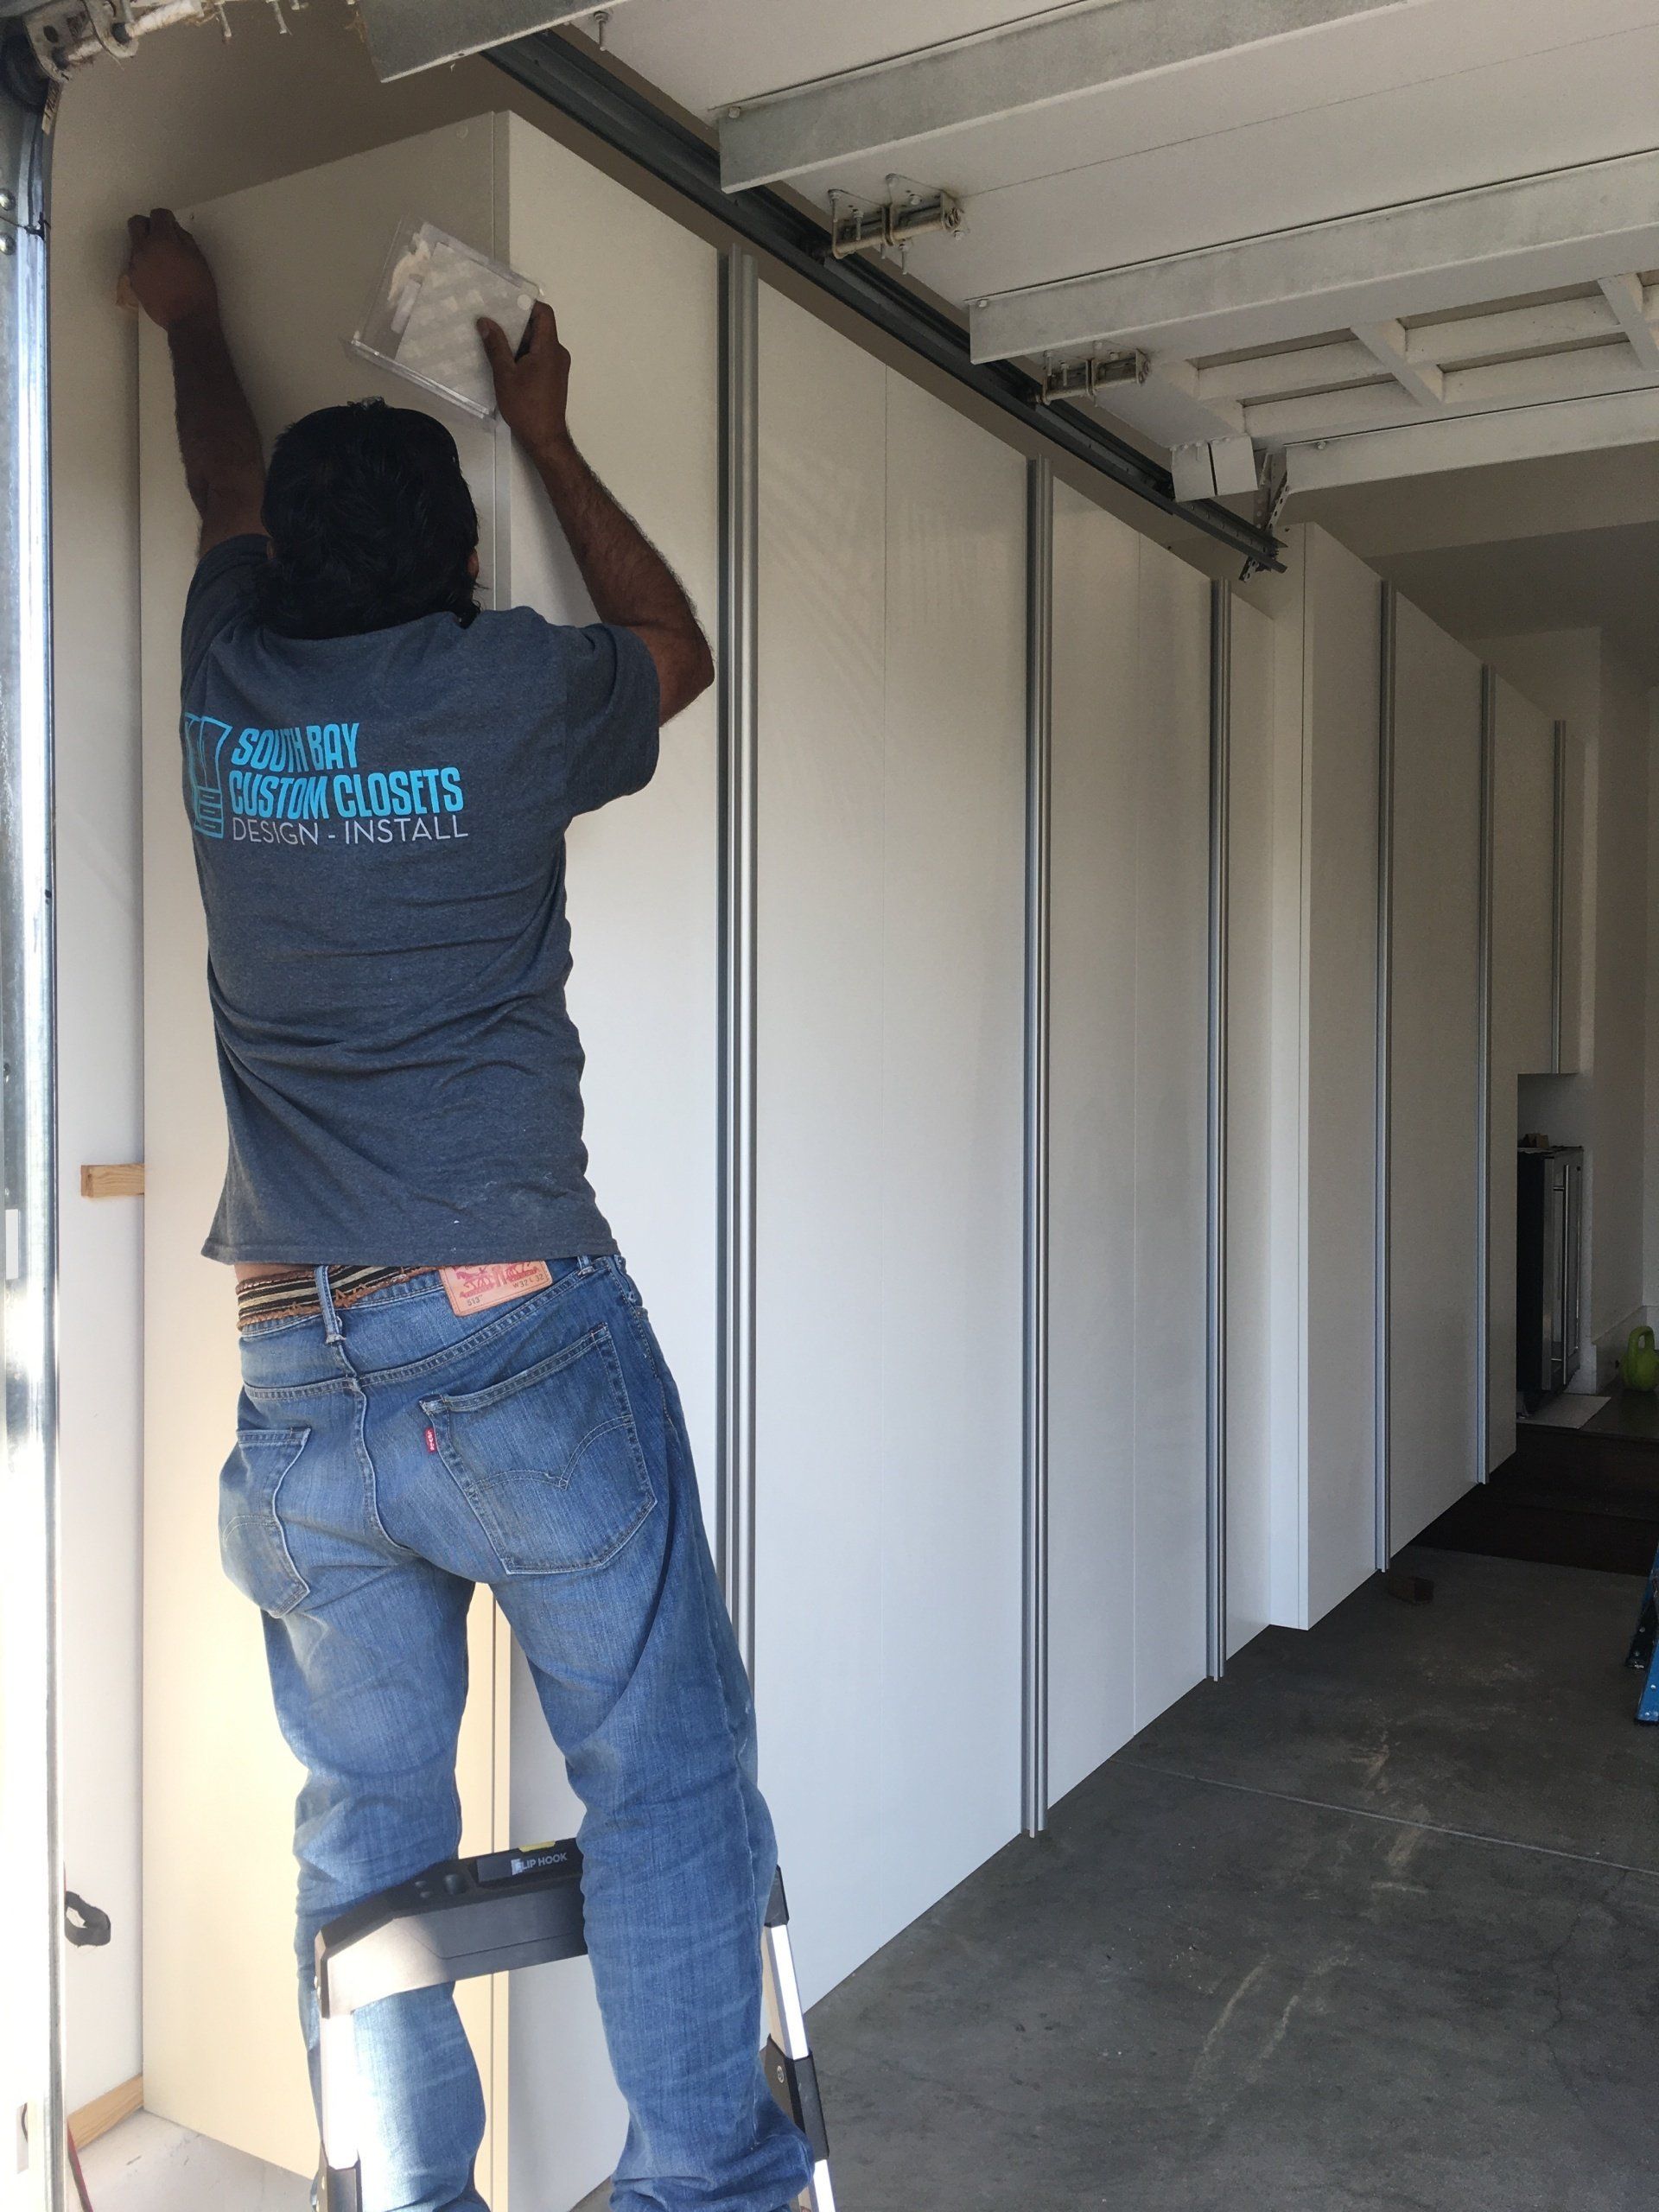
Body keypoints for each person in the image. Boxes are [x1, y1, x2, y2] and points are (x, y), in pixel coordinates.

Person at [123, 207, 812, 2212]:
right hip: (516, 1339)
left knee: (365, 1834)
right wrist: (548, 433)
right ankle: (703, 2187)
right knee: (665, 1771)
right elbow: (678, 654)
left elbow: (222, 479)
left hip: (294, 1380)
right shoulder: (502, 688)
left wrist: (187, 316)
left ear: (283, 565)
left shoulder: (227, 678)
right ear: (458, 570)